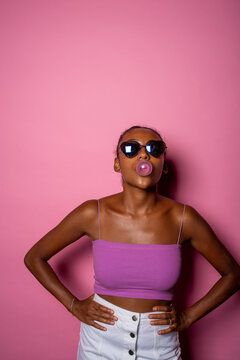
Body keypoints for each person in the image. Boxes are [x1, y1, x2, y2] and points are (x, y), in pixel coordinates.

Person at [24, 125, 240, 360]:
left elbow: (233, 274)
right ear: (117, 164)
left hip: (159, 345)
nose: (144, 154)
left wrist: (188, 317)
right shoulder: (93, 213)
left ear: (163, 165)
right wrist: (74, 305)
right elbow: (34, 257)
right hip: (100, 340)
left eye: (154, 149)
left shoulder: (184, 219)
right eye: (131, 148)